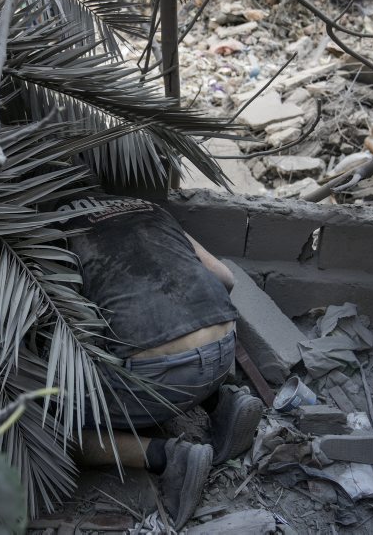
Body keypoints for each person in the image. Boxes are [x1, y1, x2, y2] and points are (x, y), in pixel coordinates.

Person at [55, 192, 263, 530]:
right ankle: (225, 400)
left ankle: (169, 457)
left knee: (43, 427)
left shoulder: (50, 230)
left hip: (156, 378)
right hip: (225, 350)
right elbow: (226, 279)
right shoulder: (148, 207)